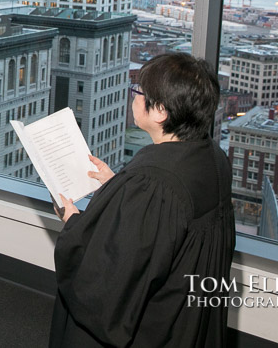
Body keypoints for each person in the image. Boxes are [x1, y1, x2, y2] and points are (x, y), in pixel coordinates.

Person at [50, 51, 235, 348]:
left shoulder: (152, 182)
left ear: (160, 111)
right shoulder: (213, 157)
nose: (133, 97)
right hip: (185, 319)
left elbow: (111, 274)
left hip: (150, 329)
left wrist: (73, 221)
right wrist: (117, 187)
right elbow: (171, 224)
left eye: (138, 91)